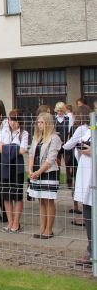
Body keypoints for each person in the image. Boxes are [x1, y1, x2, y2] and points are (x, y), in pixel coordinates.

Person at [62, 105, 93, 266]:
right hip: (86, 177)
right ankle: (91, 252)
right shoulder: (89, 128)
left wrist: (92, 151)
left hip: (92, 179)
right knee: (88, 215)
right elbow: (79, 145)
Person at [27, 111, 62, 239]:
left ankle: (49, 229)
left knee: (49, 200)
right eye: (38, 122)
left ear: (48, 123)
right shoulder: (36, 137)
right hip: (36, 172)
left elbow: (51, 159)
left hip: (48, 172)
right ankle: (42, 228)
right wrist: (30, 170)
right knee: (41, 200)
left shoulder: (55, 138)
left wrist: (38, 172)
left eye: (42, 122)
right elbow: (31, 154)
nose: (39, 125)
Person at [0, 109, 29, 233]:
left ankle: (16, 222)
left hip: (17, 168)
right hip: (5, 167)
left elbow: (23, 150)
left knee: (17, 196)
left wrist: (6, 147)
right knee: (7, 196)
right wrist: (13, 147)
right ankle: (9, 221)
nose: (12, 123)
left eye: (15, 120)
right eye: (10, 119)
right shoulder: (4, 132)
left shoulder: (24, 133)